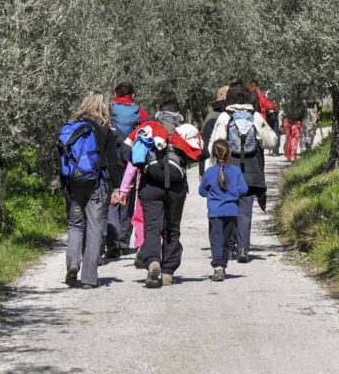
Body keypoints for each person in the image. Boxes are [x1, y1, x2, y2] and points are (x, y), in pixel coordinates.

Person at [115, 100, 204, 288]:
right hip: (176, 185)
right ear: (178, 112)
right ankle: (168, 272)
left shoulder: (148, 127)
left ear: (159, 112)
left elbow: (127, 152)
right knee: (172, 228)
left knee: (152, 226)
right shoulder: (185, 129)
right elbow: (201, 153)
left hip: (150, 184)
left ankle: (153, 261)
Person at [57, 91, 121, 289]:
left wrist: (63, 182)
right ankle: (89, 278)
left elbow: (60, 158)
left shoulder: (71, 127)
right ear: (104, 107)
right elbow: (113, 162)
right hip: (97, 184)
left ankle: (73, 263)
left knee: (75, 225)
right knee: (94, 228)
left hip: (73, 183)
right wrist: (117, 187)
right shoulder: (105, 130)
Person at [209, 85, 278, 263]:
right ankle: (243, 249)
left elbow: (215, 144)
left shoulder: (225, 116)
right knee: (245, 211)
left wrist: (213, 168)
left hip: (228, 170)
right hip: (251, 170)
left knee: (229, 207)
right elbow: (271, 141)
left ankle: (229, 245)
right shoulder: (255, 116)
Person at [106, 82, 146, 258]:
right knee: (127, 201)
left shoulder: (108, 109)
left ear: (115, 93)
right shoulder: (139, 112)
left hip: (110, 160)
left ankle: (111, 242)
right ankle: (123, 242)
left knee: (112, 199)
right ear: (133, 95)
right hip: (131, 161)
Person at [199, 140, 248, 281]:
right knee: (227, 241)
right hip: (232, 211)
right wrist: (233, 194)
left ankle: (218, 266)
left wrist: (213, 194)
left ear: (213, 155)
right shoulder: (236, 171)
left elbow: (202, 191)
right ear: (229, 153)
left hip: (215, 212)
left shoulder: (209, 172)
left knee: (216, 239)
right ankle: (223, 264)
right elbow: (244, 189)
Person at [199, 86, 229, 176]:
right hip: (216, 165)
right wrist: (202, 172)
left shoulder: (211, 114)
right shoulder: (215, 116)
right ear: (222, 95)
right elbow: (205, 144)